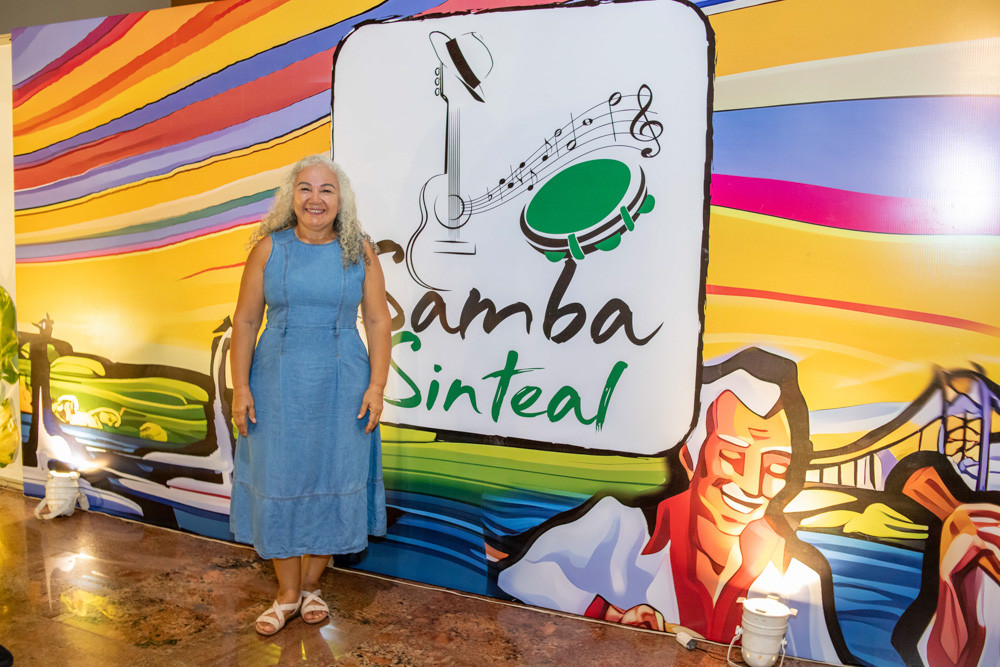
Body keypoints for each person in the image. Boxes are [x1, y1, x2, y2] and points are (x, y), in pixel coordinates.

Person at [497, 349, 843, 663]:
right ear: (690, 457)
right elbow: (522, 577)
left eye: (776, 467)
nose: (751, 485)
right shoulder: (621, 528)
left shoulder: (797, 578)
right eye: (731, 455)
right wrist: (609, 616)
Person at [229, 154, 391, 636]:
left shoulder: (359, 251)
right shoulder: (268, 249)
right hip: (274, 383)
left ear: (341, 200)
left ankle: (312, 586)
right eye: (305, 188)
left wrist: (377, 386)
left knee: (334, 473)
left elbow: (378, 320)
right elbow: (245, 321)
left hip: (345, 383)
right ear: (290, 197)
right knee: (280, 478)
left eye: (326, 189)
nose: (315, 198)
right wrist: (241, 387)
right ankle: (286, 596)